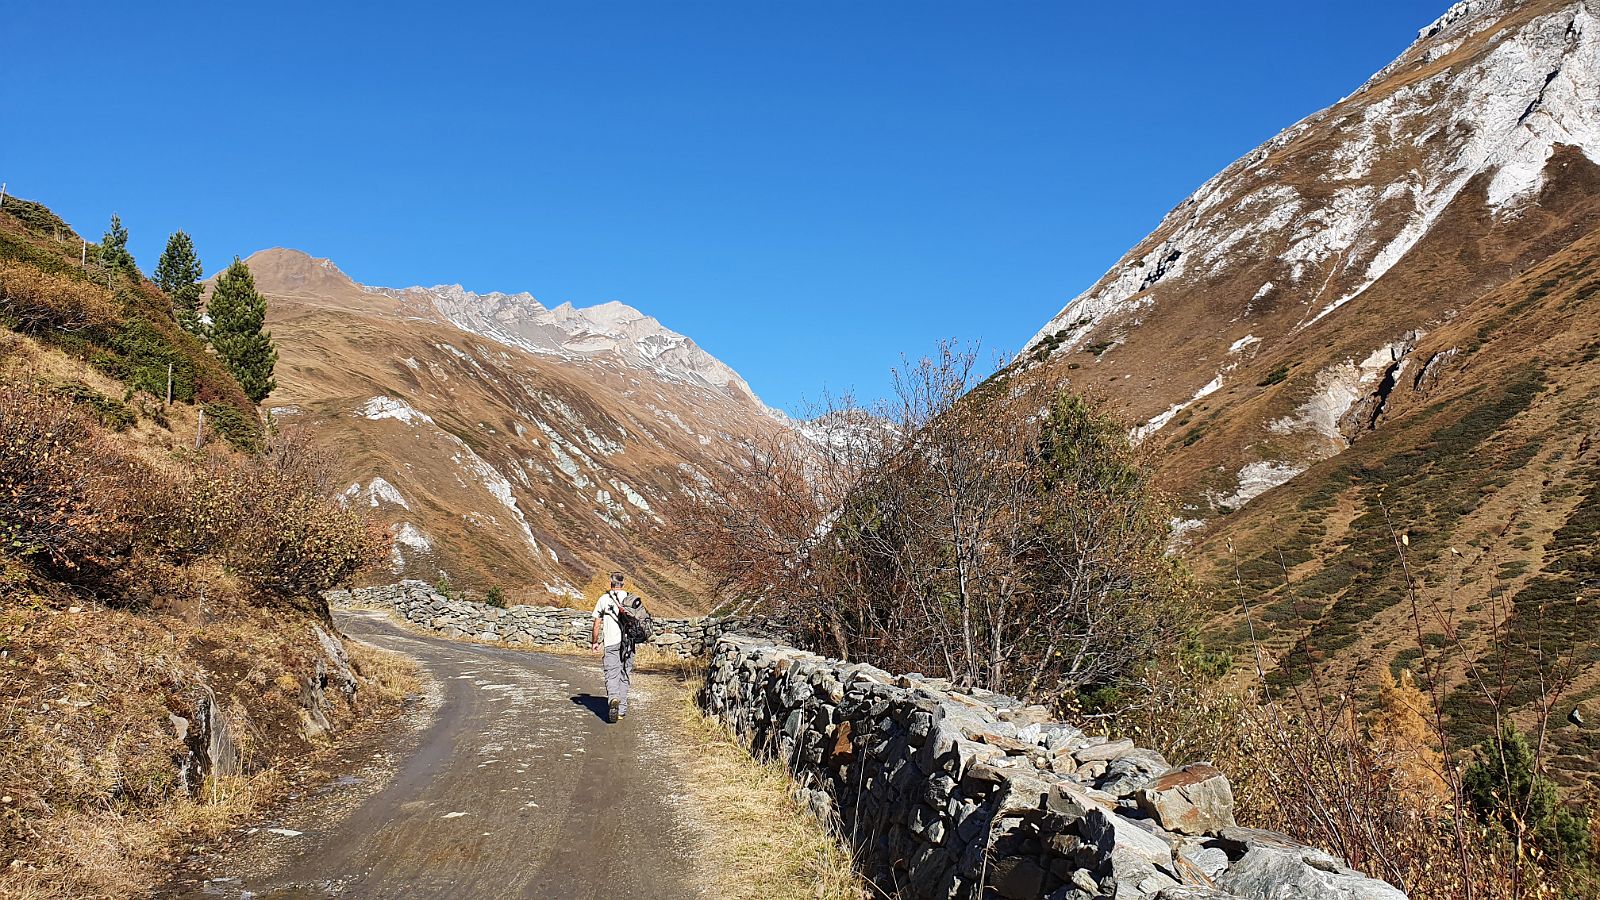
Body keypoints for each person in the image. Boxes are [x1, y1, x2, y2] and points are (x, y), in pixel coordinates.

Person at [590, 572, 634, 723]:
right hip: (629, 643)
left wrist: (595, 642)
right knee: (624, 674)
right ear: (623, 583)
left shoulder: (604, 599)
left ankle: (614, 697)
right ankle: (621, 711)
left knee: (612, 673)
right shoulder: (631, 598)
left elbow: (596, 624)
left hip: (611, 642)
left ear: (611, 583)